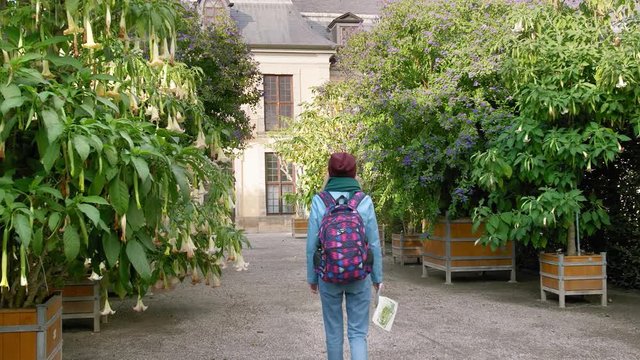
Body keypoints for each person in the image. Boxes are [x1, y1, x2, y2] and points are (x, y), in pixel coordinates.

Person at [306, 152, 383, 360]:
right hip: (359, 274)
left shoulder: (319, 201)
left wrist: (312, 278)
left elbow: (312, 244)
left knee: (333, 333)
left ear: (330, 172)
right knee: (358, 334)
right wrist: (377, 279)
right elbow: (374, 243)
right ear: (354, 173)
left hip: (328, 275)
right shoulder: (364, 200)